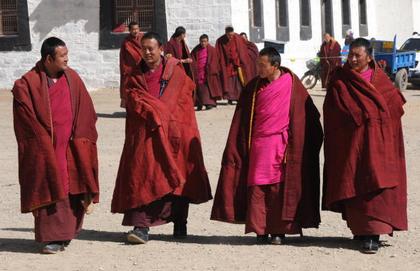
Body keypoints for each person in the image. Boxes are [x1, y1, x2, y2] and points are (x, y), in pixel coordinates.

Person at [211, 47, 323, 245]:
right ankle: (259, 229)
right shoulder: (253, 88)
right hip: (259, 146)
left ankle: (278, 231)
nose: (258, 69)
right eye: (257, 65)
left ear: (275, 66)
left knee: (278, 187)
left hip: (282, 145)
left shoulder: (292, 84)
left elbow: (308, 114)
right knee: (257, 185)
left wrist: (301, 142)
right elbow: (241, 119)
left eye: (262, 66)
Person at [111, 32, 212, 244]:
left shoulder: (177, 74)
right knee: (142, 175)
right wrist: (153, 112)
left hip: (174, 133)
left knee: (177, 175)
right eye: (144, 49)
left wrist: (166, 118)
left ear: (161, 49)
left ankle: (179, 222)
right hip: (145, 135)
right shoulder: (134, 75)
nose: (147, 53)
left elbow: (185, 102)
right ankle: (141, 226)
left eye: (151, 48)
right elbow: (131, 98)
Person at [12, 37, 99, 254]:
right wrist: (44, 142)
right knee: (49, 182)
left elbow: (86, 110)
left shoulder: (73, 78)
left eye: (67, 54)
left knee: (72, 185)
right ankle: (52, 237)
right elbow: (25, 120)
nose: (67, 59)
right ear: (49, 58)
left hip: (71, 146)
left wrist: (80, 137)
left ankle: (65, 234)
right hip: (46, 148)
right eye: (62, 56)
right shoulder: (27, 84)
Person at [323, 38, 407, 254]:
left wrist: (377, 121)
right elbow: (332, 109)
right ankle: (360, 230)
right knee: (354, 183)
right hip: (352, 143)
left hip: (379, 144)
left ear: (369, 58)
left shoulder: (381, 81)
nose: (352, 59)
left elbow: (395, 106)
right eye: (350, 55)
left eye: (357, 56)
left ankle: (373, 234)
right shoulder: (341, 79)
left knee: (377, 185)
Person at [216, 26, 256, 104]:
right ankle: (229, 98)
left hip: (237, 63)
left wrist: (241, 60)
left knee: (238, 81)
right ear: (226, 33)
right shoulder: (220, 40)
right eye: (229, 35)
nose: (230, 37)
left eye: (231, 35)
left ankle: (238, 97)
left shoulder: (238, 38)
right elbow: (219, 53)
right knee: (228, 81)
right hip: (227, 64)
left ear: (233, 33)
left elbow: (243, 49)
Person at [191, 34, 223, 110]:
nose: (203, 43)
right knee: (200, 89)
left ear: (208, 41)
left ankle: (209, 103)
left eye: (205, 41)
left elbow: (216, 60)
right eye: (202, 41)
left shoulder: (212, 50)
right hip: (199, 72)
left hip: (209, 72)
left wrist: (211, 68)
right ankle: (200, 103)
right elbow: (192, 58)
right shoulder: (196, 50)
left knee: (209, 88)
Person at [119, 21, 143, 108]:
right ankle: (132, 107)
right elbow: (122, 58)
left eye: (137, 29)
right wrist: (125, 70)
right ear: (129, 30)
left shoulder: (143, 39)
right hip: (130, 71)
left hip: (142, 70)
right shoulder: (126, 42)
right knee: (130, 90)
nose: (135, 31)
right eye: (133, 29)